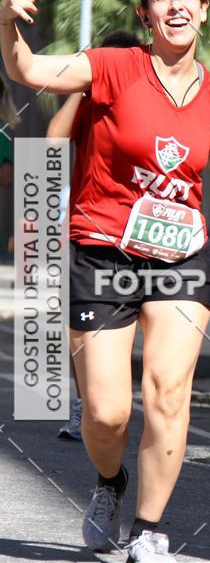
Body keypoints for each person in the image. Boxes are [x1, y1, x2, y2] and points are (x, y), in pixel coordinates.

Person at [1, 0, 210, 563]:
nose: (176, 6)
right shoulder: (111, 68)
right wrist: (7, 20)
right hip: (101, 254)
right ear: (148, 14)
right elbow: (27, 68)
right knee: (106, 412)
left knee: (170, 391)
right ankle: (109, 480)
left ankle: (149, 531)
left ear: (204, 9)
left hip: (181, 259)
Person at [48, 30, 140, 442]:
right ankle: (84, 403)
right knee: (81, 331)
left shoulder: (145, 99)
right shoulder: (90, 102)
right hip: (91, 236)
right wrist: (84, 88)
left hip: (146, 240)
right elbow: (52, 140)